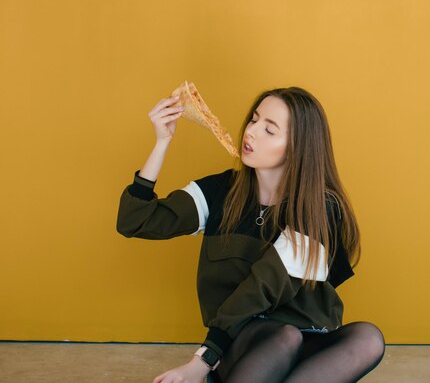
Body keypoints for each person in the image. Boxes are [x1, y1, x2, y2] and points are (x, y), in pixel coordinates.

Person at [116, 86, 385, 383]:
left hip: (304, 339)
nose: (251, 132)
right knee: (283, 337)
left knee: (367, 338)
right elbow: (135, 221)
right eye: (254, 120)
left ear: (298, 147)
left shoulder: (319, 208)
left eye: (270, 130)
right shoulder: (220, 192)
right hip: (241, 338)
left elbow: (264, 285)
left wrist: (200, 363)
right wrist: (162, 142)